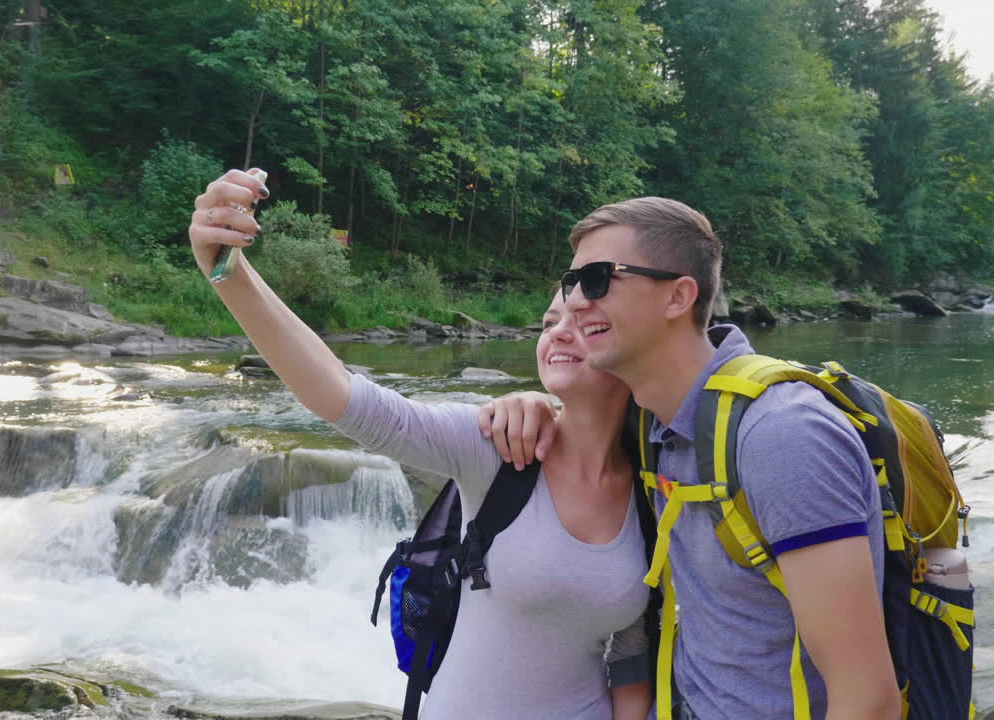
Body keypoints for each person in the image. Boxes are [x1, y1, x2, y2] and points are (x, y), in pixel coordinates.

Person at [187, 167, 653, 720]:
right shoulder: (498, 447)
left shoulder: (658, 475)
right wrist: (229, 273)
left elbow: (632, 654)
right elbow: (343, 397)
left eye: (585, 319)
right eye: (551, 319)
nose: (558, 330)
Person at [478, 197, 902, 720]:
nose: (576, 302)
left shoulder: (782, 436)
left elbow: (868, 699)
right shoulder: (654, 421)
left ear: (678, 296)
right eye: (572, 283)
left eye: (598, 279)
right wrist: (528, 404)